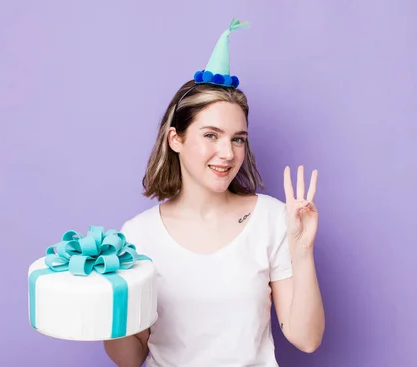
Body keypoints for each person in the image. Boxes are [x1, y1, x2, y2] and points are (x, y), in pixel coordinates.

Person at [103, 19, 324, 366]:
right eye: (211, 135)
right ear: (175, 139)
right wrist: (109, 301)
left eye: (237, 138)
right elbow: (129, 358)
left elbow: (307, 338)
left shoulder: (271, 218)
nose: (227, 153)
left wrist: (302, 250)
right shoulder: (138, 236)